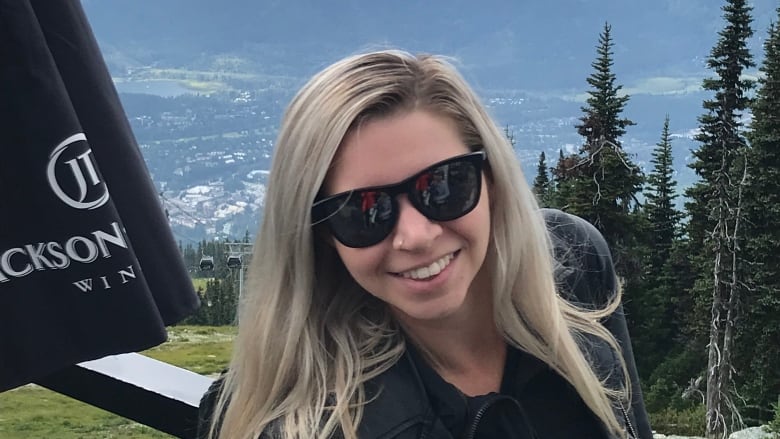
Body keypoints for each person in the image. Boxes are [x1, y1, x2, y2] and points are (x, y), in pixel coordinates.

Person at [198, 50, 652, 439]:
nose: (415, 236)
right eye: (363, 211)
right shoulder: (328, 423)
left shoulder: (571, 263)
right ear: (322, 237)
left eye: (443, 185)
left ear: (492, 179)